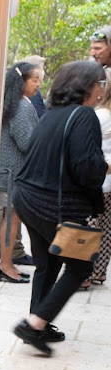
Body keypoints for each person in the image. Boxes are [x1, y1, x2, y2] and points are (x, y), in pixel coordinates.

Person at [12, 61, 108, 355]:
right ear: (87, 86)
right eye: (100, 84)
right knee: (81, 266)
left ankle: (38, 324)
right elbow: (86, 169)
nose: (102, 90)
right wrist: (103, 165)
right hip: (54, 204)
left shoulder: (52, 115)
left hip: (27, 198)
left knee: (48, 263)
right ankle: (34, 323)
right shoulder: (84, 115)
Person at [0, 62, 41, 284]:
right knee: (11, 220)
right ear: (22, 82)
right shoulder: (21, 106)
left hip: (9, 171)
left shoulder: (13, 102)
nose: (39, 85)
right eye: (35, 80)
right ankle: (5, 265)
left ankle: (7, 263)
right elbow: (27, 142)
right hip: (14, 173)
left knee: (11, 219)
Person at [89, 68, 111, 285]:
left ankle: (85, 272)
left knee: (91, 226)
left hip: (99, 179)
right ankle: (99, 271)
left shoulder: (99, 115)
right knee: (107, 228)